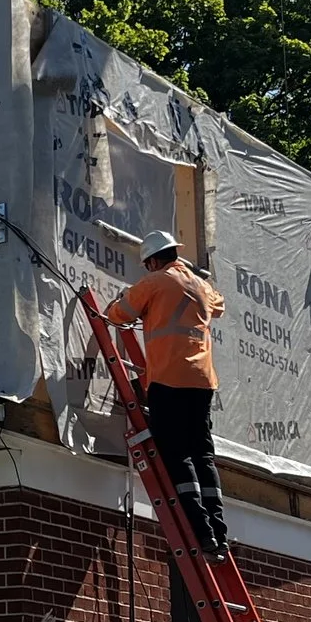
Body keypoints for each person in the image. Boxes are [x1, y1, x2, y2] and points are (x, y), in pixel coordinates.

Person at [107, 231, 228, 553]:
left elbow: (119, 314)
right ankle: (218, 530)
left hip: (168, 379)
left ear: (154, 260)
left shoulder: (155, 282)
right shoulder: (200, 287)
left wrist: (121, 301)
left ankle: (200, 529)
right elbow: (219, 305)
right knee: (202, 453)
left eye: (148, 264)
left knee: (176, 454)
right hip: (202, 381)